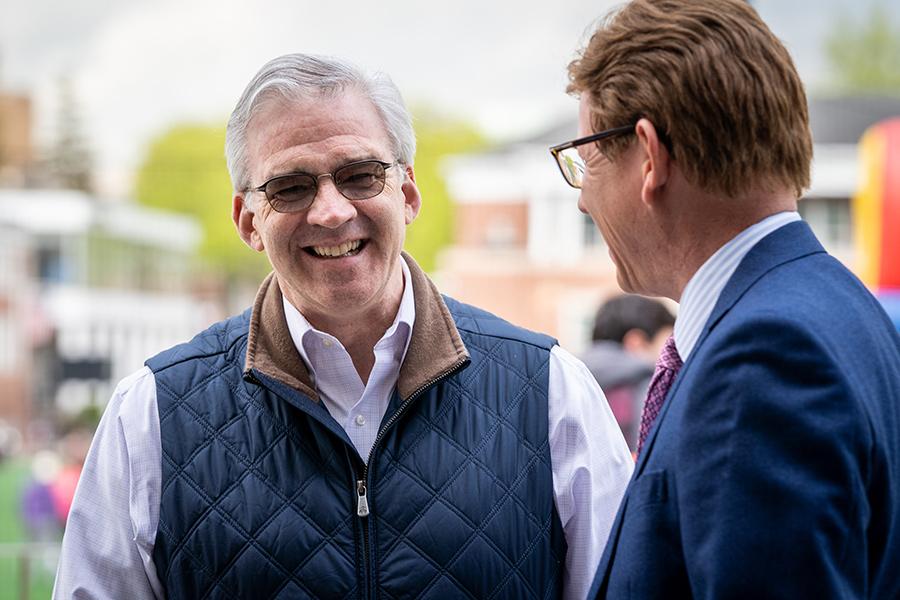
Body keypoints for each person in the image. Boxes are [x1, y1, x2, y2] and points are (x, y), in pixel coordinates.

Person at [54, 53, 634, 599]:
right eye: (290, 187)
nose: (331, 211)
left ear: (407, 193)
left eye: (360, 175)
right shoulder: (152, 416)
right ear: (248, 220)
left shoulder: (552, 392)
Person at [549, 1, 900, 597]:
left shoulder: (763, 358)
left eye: (587, 162)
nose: (584, 201)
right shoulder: (844, 310)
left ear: (649, 155)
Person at [580, 295, 674, 452]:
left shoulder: (567, 376)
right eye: (668, 343)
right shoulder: (651, 386)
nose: (673, 354)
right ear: (636, 342)